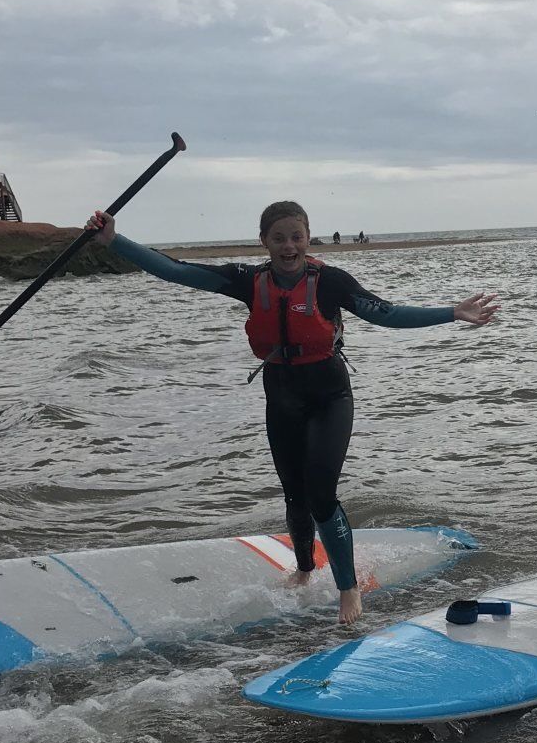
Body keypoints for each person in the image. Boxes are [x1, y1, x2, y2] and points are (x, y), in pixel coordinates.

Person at [86, 201, 500, 624]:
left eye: (297, 236)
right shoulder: (247, 280)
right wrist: (114, 240)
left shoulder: (330, 281)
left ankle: (348, 589)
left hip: (329, 396)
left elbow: (387, 314)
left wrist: (453, 313)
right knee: (294, 496)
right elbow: (176, 270)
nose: (289, 246)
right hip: (280, 394)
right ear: (263, 240)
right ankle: (304, 569)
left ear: (307, 237)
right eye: (279, 237)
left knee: (321, 495)